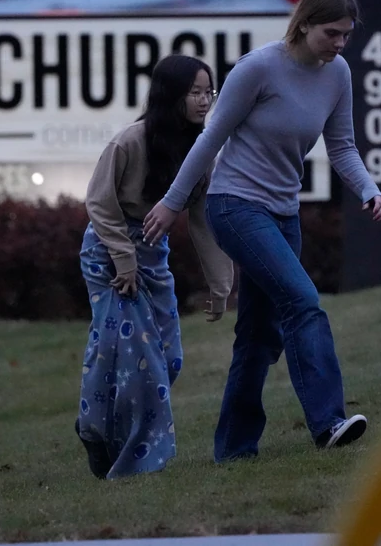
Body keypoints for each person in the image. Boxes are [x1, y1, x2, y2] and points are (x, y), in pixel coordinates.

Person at [142, 0, 381, 463]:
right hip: (235, 206)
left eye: (347, 35)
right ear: (304, 24)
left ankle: (234, 449)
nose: (340, 44)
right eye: (332, 33)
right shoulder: (257, 69)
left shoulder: (337, 74)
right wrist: (172, 202)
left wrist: (368, 188)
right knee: (302, 300)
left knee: (259, 334)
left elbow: (342, 147)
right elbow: (210, 139)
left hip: (283, 212)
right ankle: (329, 422)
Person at [76, 54, 234, 479]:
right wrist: (123, 260)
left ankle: (94, 428)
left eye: (209, 92)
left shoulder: (201, 150)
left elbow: (202, 221)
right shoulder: (129, 141)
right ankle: (136, 461)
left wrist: (220, 286)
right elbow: (98, 202)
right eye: (195, 92)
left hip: (152, 257)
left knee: (168, 359)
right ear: (171, 95)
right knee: (139, 360)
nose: (205, 101)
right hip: (107, 256)